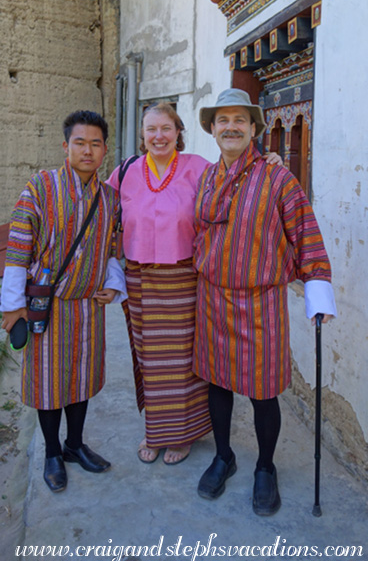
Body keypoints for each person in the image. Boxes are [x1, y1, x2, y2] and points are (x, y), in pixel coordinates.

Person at [107, 102, 282, 465]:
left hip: (186, 280)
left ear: (178, 132)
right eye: (151, 129)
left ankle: (183, 433)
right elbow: (98, 208)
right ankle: (156, 430)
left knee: (184, 362)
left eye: (166, 129)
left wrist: (272, 164)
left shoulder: (198, 169)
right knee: (149, 359)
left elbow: (239, 178)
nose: (159, 136)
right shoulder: (125, 172)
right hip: (139, 279)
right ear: (142, 134)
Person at [192, 88, 337, 515]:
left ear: (254, 129)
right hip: (213, 297)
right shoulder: (205, 177)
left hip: (261, 303)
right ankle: (224, 456)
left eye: (240, 120)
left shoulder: (278, 178)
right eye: (223, 121)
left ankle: (265, 467)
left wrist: (317, 287)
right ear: (213, 131)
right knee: (217, 383)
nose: (231, 127)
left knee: (262, 392)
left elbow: (305, 232)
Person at [1, 111, 126, 492]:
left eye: (96, 143)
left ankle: (75, 445)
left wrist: (113, 282)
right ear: (66, 146)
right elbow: (18, 251)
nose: (88, 150)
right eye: (80, 142)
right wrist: (12, 307)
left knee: (81, 379)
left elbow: (114, 247)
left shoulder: (110, 198)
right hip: (47, 307)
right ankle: (53, 452)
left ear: (105, 149)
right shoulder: (39, 187)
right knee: (48, 383)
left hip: (88, 305)